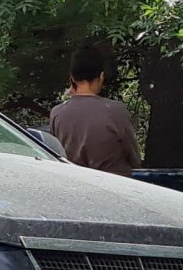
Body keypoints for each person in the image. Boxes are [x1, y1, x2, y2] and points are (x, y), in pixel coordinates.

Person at [48, 46, 142, 176]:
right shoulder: (116, 111)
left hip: (75, 183)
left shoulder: (57, 113)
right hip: (115, 184)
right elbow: (134, 158)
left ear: (72, 78)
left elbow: (56, 153)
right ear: (101, 76)